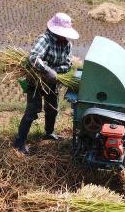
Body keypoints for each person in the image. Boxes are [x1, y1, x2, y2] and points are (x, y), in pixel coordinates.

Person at [13, 12, 79, 155]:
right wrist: (46, 70)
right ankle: (19, 142)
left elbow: (67, 64)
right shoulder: (45, 39)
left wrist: (54, 72)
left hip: (53, 82)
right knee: (33, 110)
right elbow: (34, 57)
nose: (64, 36)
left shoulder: (67, 44)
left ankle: (49, 133)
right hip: (36, 81)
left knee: (52, 108)